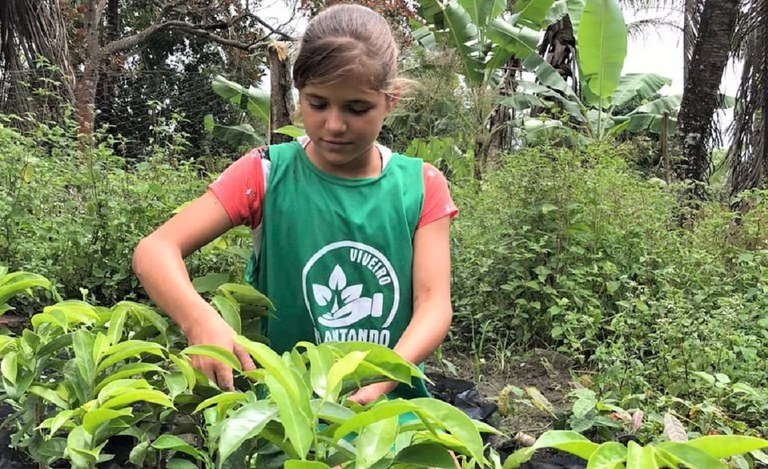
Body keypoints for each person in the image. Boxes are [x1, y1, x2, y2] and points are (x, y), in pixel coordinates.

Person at [132, 3, 457, 405]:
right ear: (300, 93)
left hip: (393, 406)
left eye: (357, 109)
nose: (334, 125)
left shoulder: (420, 186)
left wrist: (384, 379)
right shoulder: (265, 175)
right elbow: (155, 250)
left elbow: (434, 305)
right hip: (284, 409)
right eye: (317, 104)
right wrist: (200, 321)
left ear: (391, 100)